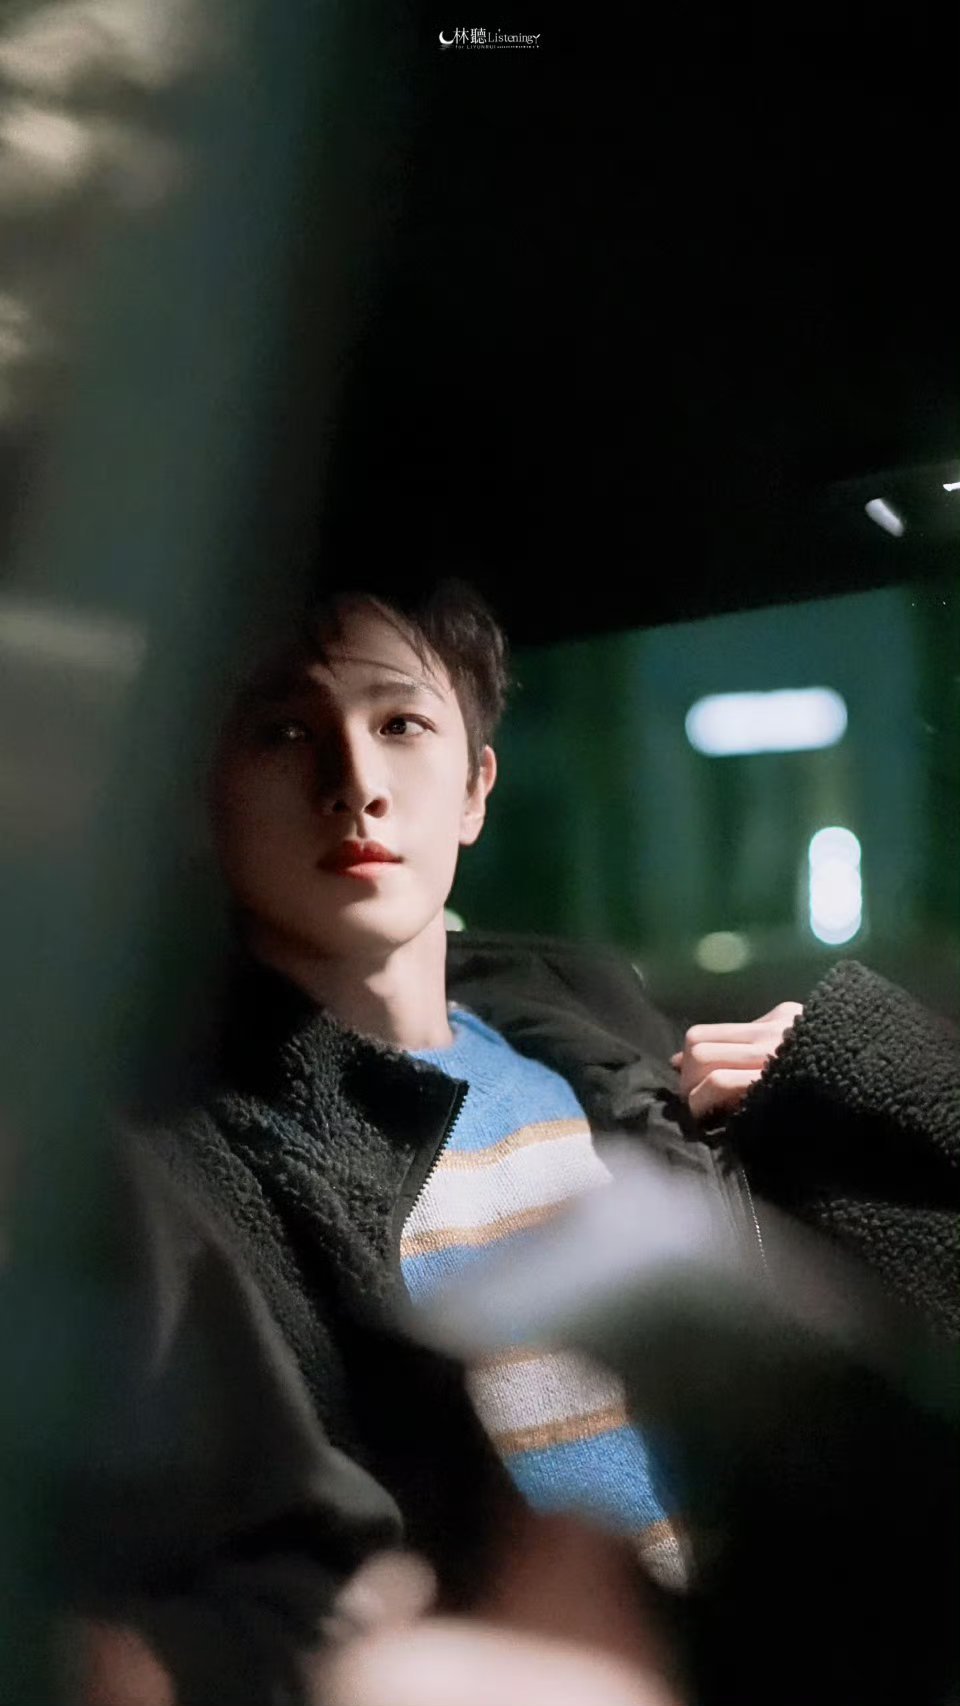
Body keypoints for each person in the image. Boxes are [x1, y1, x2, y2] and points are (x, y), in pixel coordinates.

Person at [146, 573, 960, 1641]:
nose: (357, 784)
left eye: (400, 724)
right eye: (285, 731)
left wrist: (870, 1068)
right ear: (204, 789)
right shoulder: (182, 1167)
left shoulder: (605, 1054)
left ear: (475, 788)